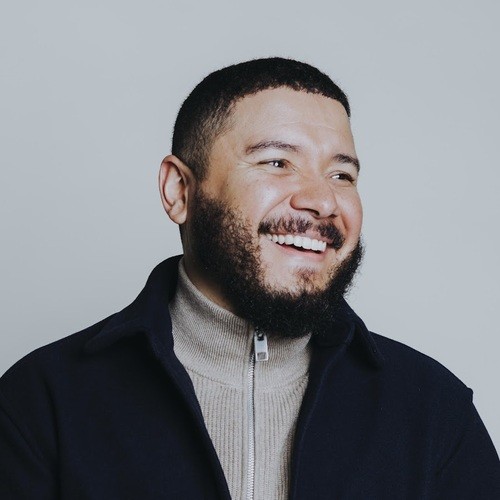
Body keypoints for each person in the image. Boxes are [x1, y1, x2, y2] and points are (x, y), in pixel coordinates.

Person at [0, 58, 499, 499]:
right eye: (277, 162)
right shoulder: (40, 403)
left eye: (342, 175)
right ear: (179, 191)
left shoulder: (435, 411)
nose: (323, 200)